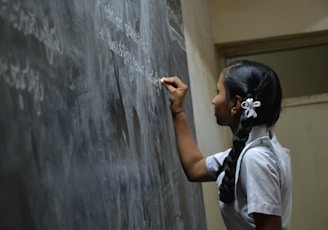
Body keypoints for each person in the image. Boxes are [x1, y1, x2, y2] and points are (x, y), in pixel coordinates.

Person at [161, 60, 292, 230]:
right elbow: (195, 168)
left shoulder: (256, 159)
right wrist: (177, 110)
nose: (214, 100)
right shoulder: (252, 150)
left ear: (236, 104)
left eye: (218, 92)